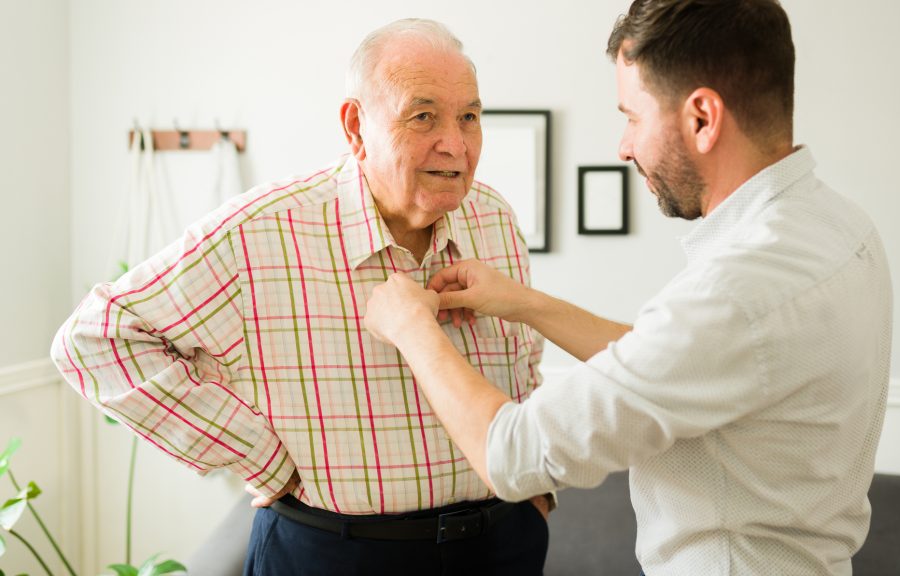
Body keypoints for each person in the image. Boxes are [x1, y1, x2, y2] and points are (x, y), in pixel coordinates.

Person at [363, 1, 894, 575]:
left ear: (702, 118)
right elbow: (690, 363)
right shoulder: (839, 227)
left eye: (633, 116)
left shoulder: (737, 291)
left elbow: (513, 454)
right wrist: (525, 302)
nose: (624, 146)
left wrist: (413, 329)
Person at [51, 18, 551, 576]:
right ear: (357, 127)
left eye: (469, 117)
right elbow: (95, 338)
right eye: (423, 116)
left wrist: (536, 490)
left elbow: (523, 360)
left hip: (501, 544)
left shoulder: (495, 217)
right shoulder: (260, 232)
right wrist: (261, 460)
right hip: (336, 553)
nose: (454, 145)